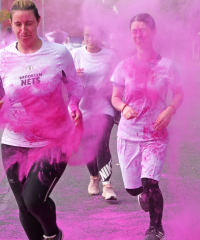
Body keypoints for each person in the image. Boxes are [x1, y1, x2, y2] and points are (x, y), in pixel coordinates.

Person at [0, 1, 83, 240]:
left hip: (54, 141)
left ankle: (53, 235)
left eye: (28, 23)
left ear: (38, 21)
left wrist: (73, 105)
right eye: (17, 24)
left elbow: (76, 86)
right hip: (14, 143)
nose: (23, 30)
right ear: (11, 24)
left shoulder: (58, 53)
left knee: (34, 199)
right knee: (24, 208)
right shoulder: (2, 58)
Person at [111, 13, 184, 240]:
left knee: (151, 183)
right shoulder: (124, 66)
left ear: (153, 32)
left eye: (142, 30)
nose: (138, 35)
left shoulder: (167, 66)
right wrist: (123, 108)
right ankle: (141, 193)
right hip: (128, 134)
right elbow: (115, 97)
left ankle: (155, 228)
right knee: (134, 189)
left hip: (156, 133)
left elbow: (179, 93)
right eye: (134, 31)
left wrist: (170, 110)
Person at [71, 25, 119, 200]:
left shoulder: (110, 55)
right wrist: (74, 76)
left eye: (92, 35)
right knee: (88, 145)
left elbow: (118, 79)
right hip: (83, 106)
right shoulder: (75, 54)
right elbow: (64, 79)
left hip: (103, 104)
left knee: (102, 142)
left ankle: (107, 185)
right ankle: (94, 178)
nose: (89, 38)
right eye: (86, 35)